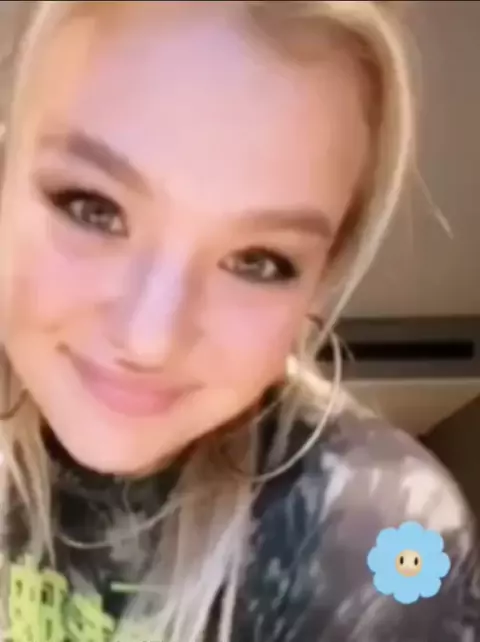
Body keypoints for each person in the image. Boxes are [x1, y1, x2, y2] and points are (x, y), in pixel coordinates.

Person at [0, 1, 478, 641]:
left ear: (322, 278)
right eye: (92, 207)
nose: (148, 339)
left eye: (257, 261)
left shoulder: (381, 543)